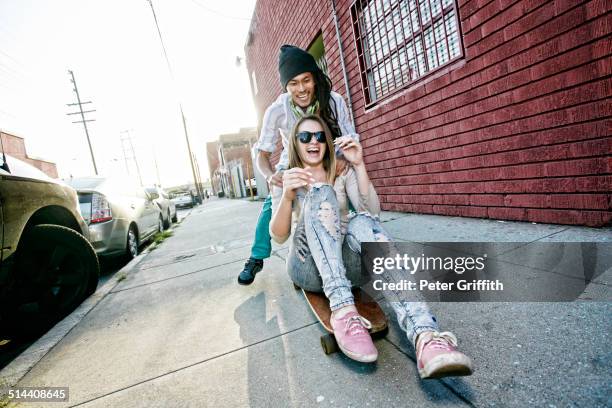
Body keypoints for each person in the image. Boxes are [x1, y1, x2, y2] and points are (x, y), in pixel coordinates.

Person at [269, 114, 473, 379]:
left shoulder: (341, 171)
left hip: (345, 268)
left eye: (320, 136)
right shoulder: (286, 178)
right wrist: (287, 195)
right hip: (307, 266)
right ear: (294, 144)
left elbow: (372, 215)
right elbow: (279, 236)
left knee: (362, 221)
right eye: (305, 136)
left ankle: (426, 335)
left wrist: (358, 164)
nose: (313, 142)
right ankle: (343, 311)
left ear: (328, 142)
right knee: (322, 193)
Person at [238, 44, 357, 285]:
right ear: (286, 86)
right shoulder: (276, 110)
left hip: (329, 157)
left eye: (306, 80)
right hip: (291, 162)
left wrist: (343, 158)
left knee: (351, 188)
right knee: (275, 199)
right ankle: (257, 256)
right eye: (293, 83)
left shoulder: (333, 101)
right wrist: (271, 175)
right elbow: (262, 154)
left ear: (315, 78)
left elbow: (350, 136)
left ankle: (362, 242)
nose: (301, 89)